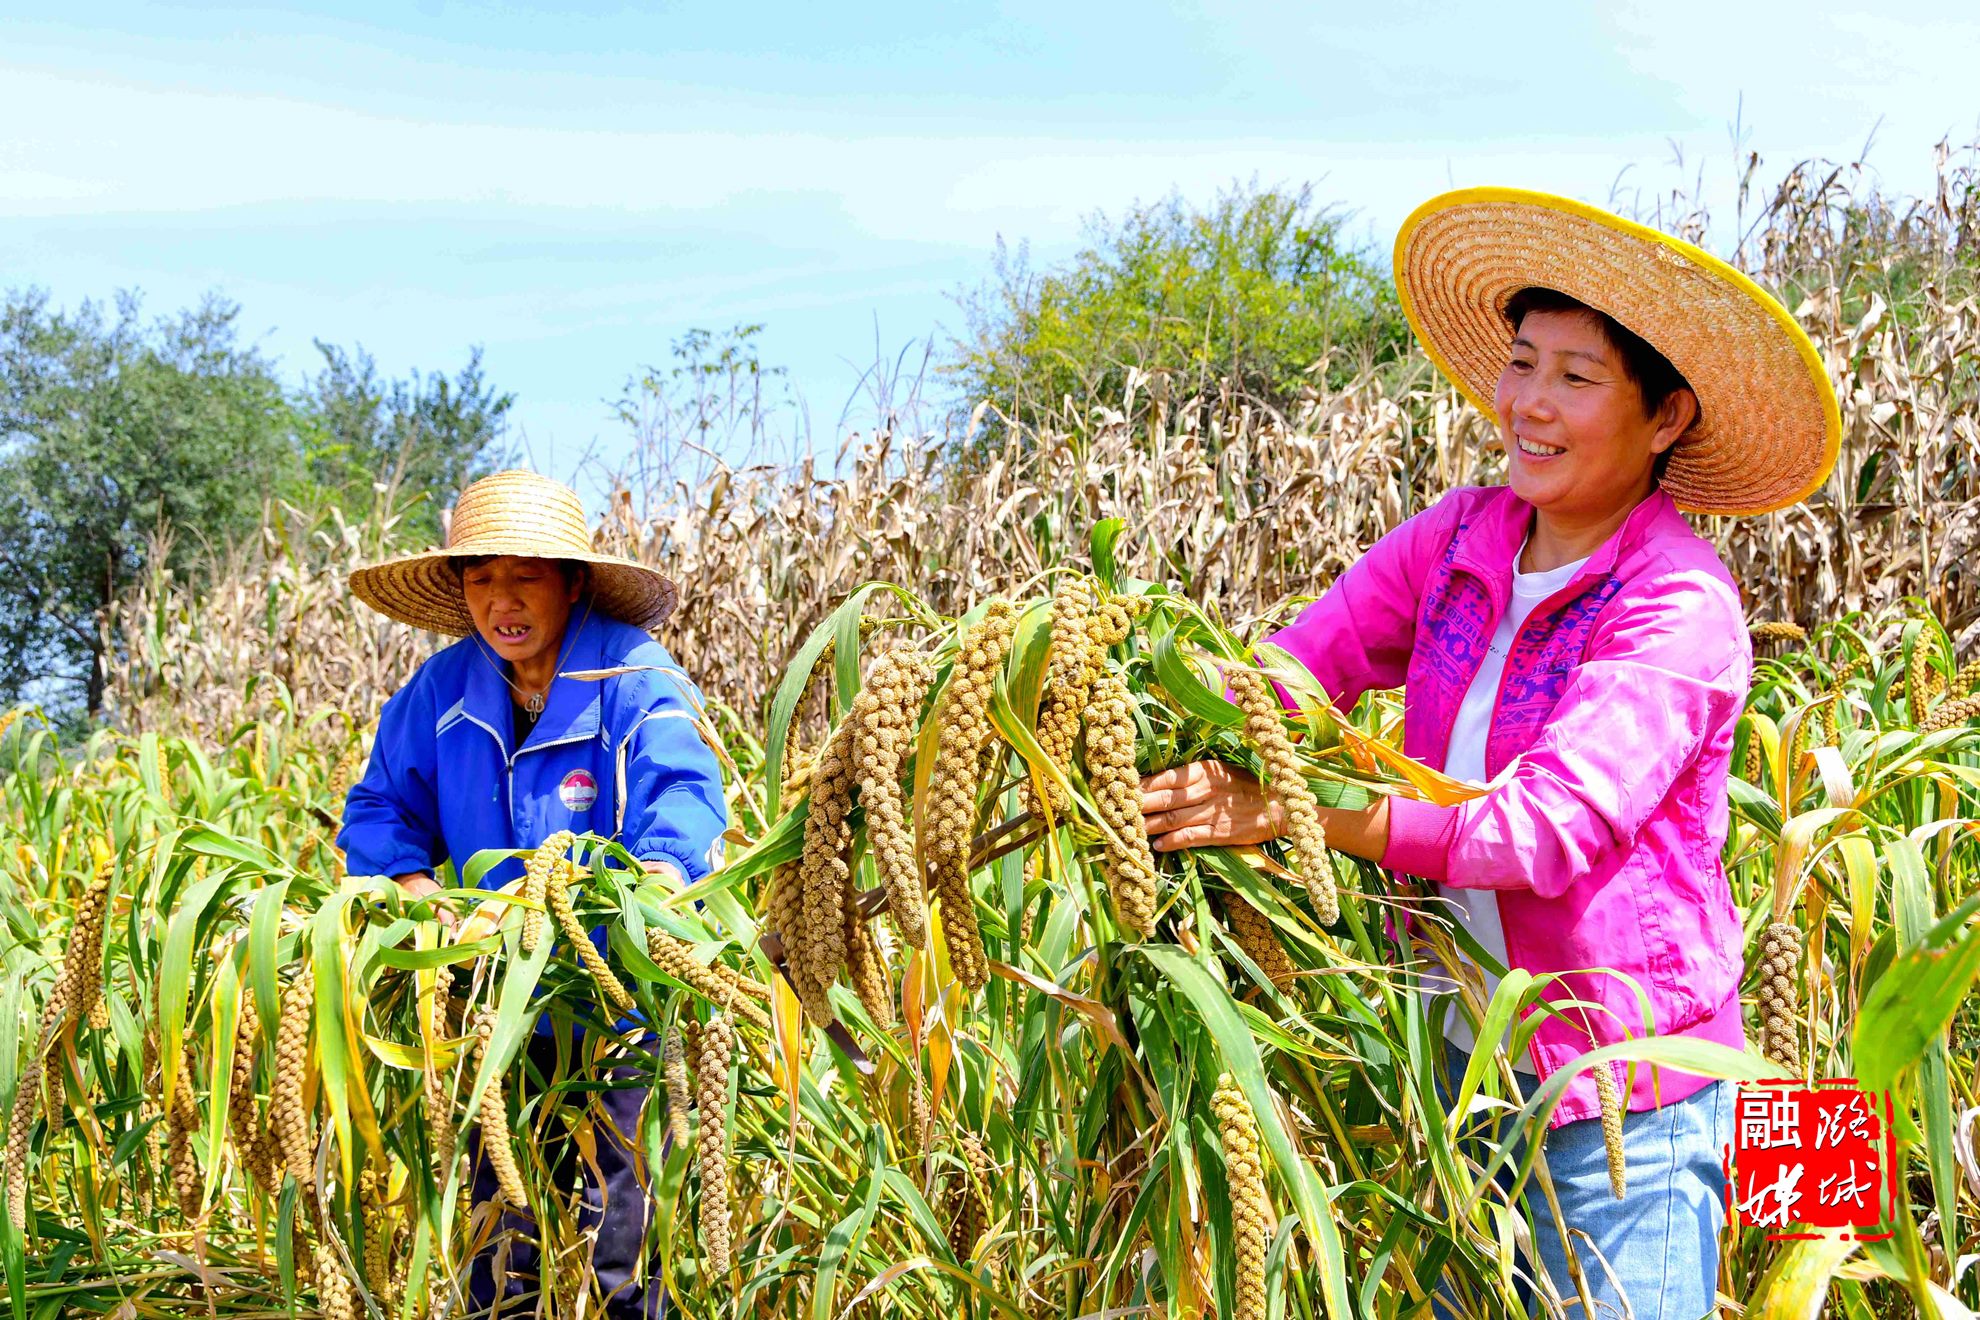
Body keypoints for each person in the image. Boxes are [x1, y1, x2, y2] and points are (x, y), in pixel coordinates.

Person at [1140, 188, 1839, 1318]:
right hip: (1456, 1077)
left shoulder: (1679, 604)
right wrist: (1136, 691)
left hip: (1627, 1103)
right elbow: (1298, 665)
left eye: (1577, 377)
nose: (1529, 404)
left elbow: (1539, 829)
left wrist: (1291, 813)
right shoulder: (1460, 538)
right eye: (1522, 363)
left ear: (1665, 419)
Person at [338, 468, 728, 1318]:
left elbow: (685, 787)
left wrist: (659, 876)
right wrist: (414, 890)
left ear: (574, 581)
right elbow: (378, 808)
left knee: (617, 1232)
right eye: (481, 578)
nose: (500, 600)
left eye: (525, 575)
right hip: (494, 1005)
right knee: (497, 1237)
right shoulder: (443, 691)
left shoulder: (630, 674)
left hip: (613, 995)